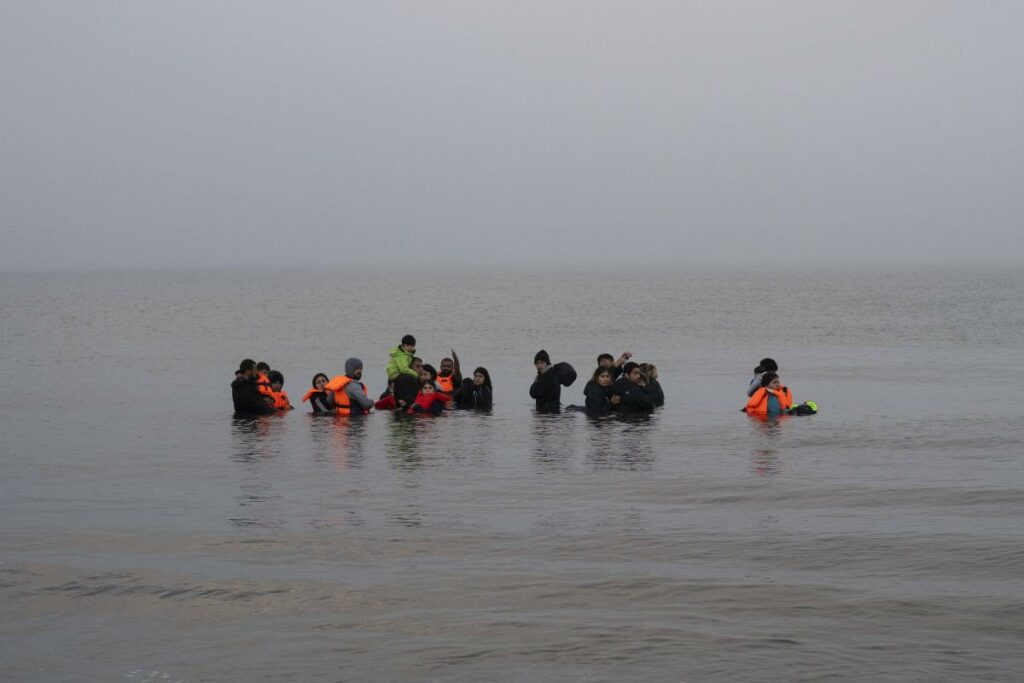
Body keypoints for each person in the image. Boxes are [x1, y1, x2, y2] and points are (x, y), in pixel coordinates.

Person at [386, 335, 420, 407]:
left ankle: (412, 398)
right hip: (395, 374)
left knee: (409, 380)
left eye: (412, 346)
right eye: (407, 345)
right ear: (403, 345)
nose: (410, 348)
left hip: (397, 374)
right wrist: (416, 374)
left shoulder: (405, 354)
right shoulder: (401, 355)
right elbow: (403, 369)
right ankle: (418, 397)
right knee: (412, 378)